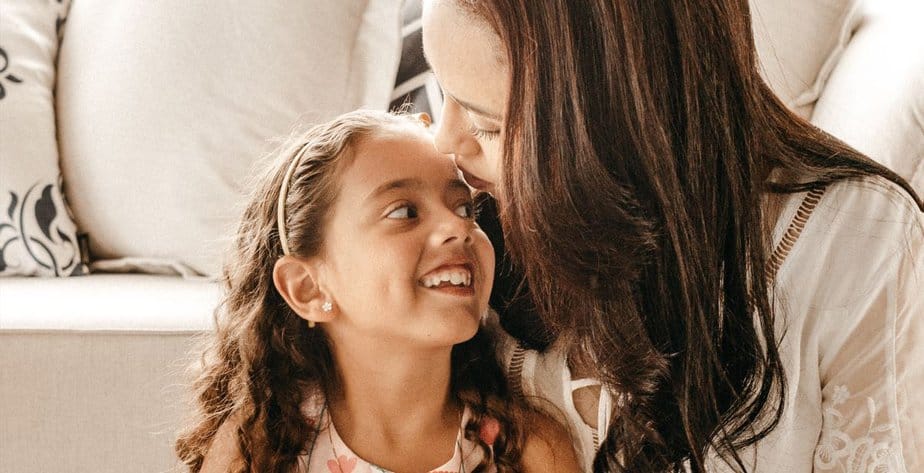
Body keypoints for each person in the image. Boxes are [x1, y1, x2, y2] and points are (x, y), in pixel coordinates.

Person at [420, 1, 924, 472]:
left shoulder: (854, 242)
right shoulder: (454, 225)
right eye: (440, 91)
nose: (444, 143)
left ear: (619, 119)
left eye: (486, 124)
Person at [174, 110, 580, 472]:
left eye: (463, 208)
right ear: (308, 288)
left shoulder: (529, 451)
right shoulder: (261, 449)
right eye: (404, 212)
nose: (459, 227)